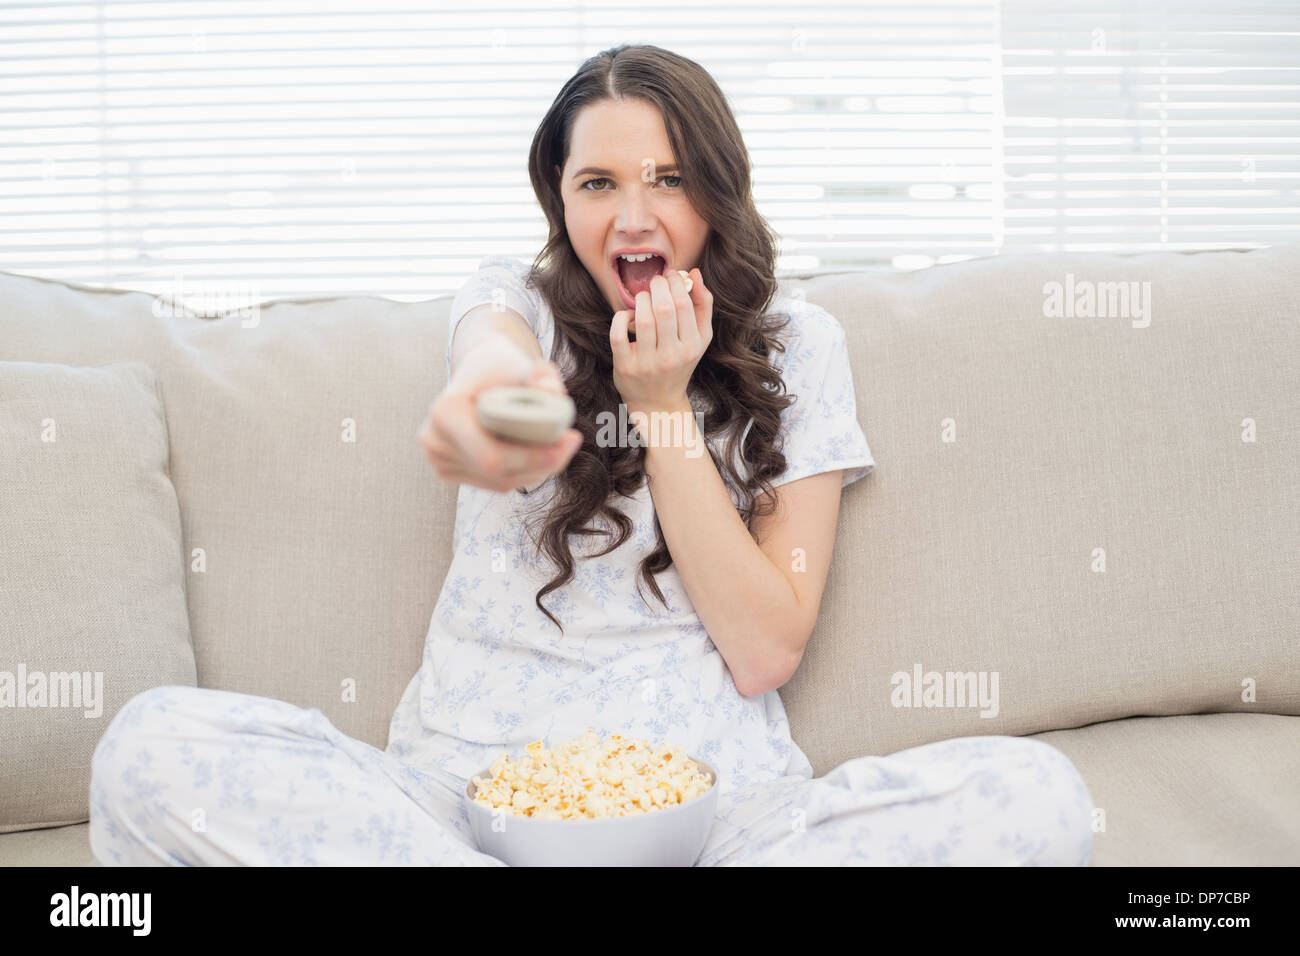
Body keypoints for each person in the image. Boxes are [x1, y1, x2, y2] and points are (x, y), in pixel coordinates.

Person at [89, 43, 1095, 866]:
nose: (633, 215)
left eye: (668, 178)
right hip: (461, 810)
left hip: (716, 821)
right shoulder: (512, 303)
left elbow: (764, 647)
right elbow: (493, 370)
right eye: (598, 182)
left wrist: (661, 409)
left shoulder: (799, 343)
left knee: (1036, 796)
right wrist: (496, 414)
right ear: (560, 203)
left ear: (718, 191)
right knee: (150, 747)